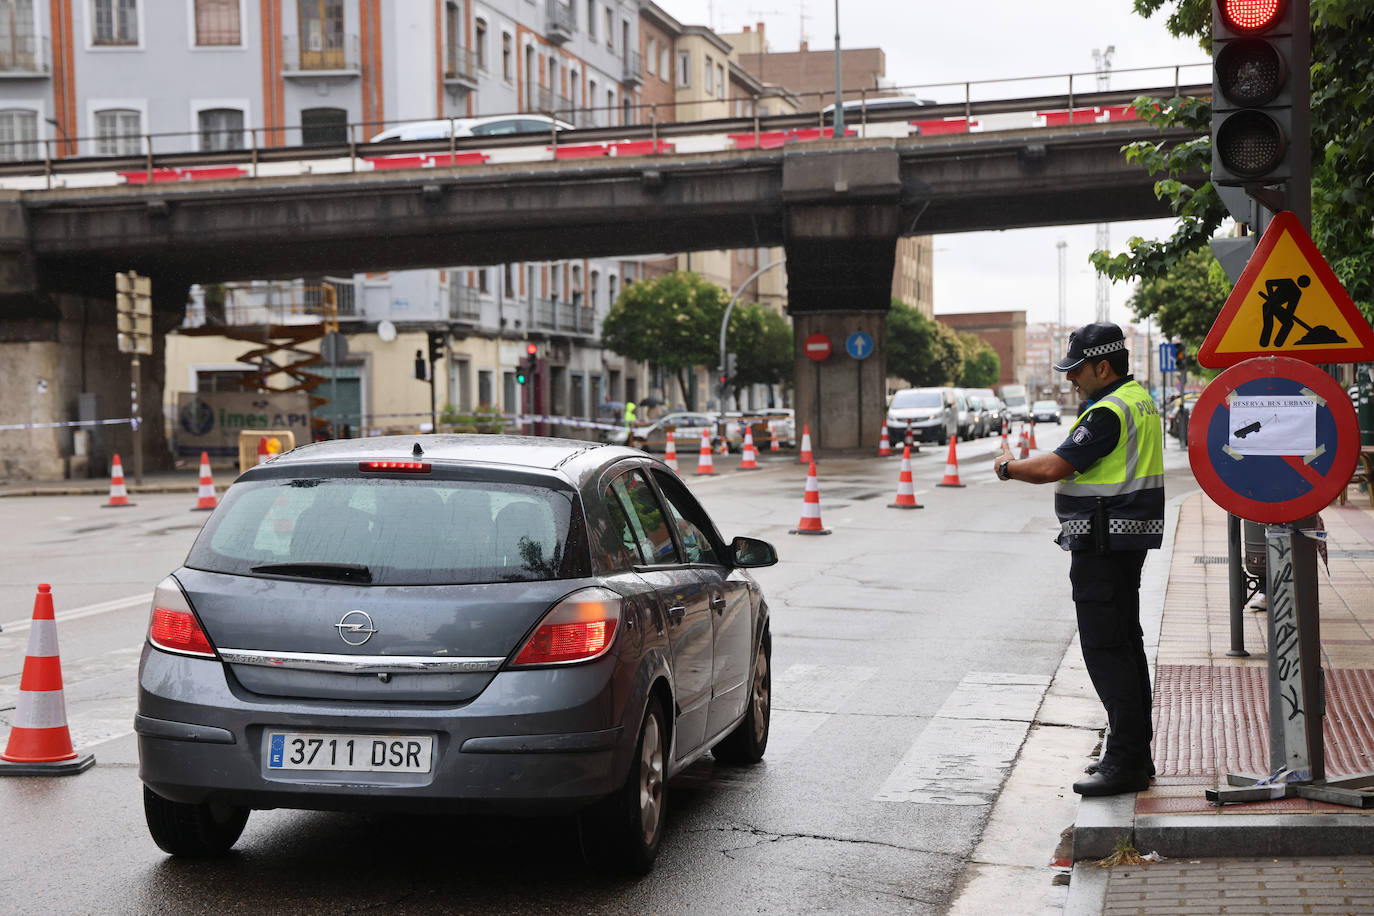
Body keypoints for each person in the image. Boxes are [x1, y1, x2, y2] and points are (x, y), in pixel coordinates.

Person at [990, 323, 1164, 797]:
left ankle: (1126, 761)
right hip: (1125, 541)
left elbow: (1054, 466)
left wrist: (1008, 467)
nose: (1071, 380)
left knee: (1108, 650)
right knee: (1126, 646)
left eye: (1077, 370)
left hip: (1105, 542)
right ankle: (1135, 755)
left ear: (1102, 366)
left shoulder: (1108, 411)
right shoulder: (1140, 400)